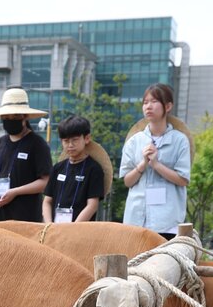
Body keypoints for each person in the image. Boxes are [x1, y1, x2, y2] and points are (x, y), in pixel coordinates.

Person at [119, 84, 192, 239]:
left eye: (154, 101)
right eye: (145, 102)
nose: (148, 106)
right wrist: (143, 164)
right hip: (136, 219)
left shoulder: (179, 140)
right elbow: (127, 181)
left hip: (167, 221)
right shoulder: (134, 141)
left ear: (168, 106)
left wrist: (157, 165)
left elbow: (183, 179)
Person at [0, 88, 52, 222]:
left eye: (15, 116)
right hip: (0, 217)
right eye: (6, 117)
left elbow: (45, 181)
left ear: (24, 117)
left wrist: (15, 192)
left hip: (26, 218)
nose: (10, 120)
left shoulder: (37, 144)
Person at [43, 116, 111, 224]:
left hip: (81, 231)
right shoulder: (57, 168)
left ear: (86, 138)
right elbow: (47, 201)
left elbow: (92, 205)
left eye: (75, 140)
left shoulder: (94, 169)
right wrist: (48, 224)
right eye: (66, 141)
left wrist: (73, 228)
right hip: (54, 230)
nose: (70, 145)